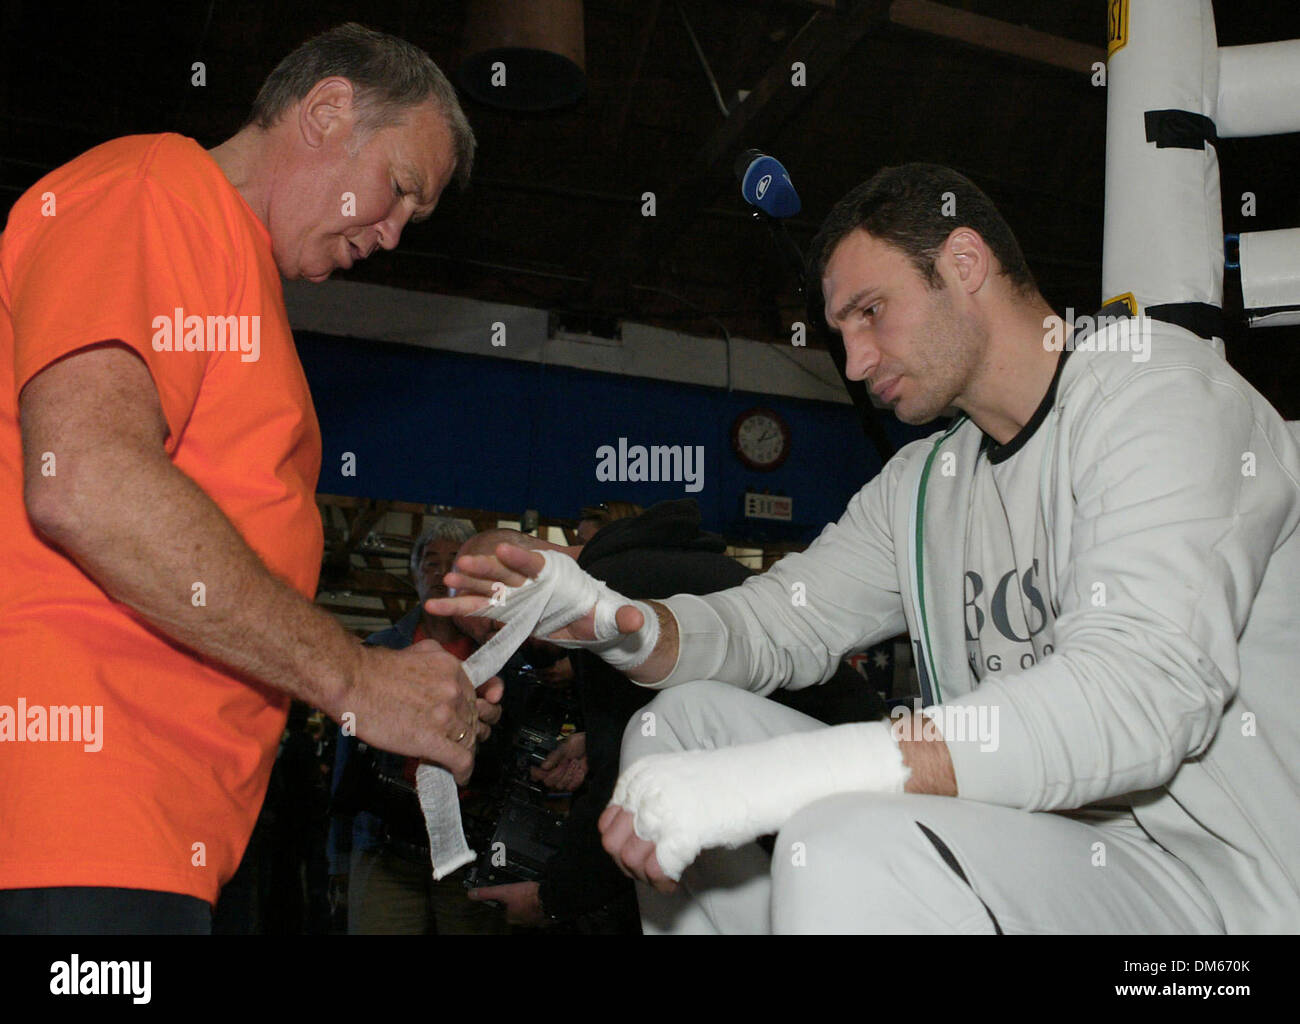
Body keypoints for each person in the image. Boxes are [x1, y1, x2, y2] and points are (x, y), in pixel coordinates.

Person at [433, 164, 1300, 934]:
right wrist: (602, 616)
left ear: (965, 263)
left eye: (869, 313)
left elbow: (1138, 702)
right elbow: (779, 622)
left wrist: (773, 784)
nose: (851, 362)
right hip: (1044, 850)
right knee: (682, 732)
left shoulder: (1158, 394)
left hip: (1220, 896)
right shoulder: (928, 480)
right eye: (841, 330)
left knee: (841, 839)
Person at [0, 23, 501, 935]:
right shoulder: (155, 194)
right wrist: (356, 678)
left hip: (155, 834)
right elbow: (83, 478)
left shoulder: (234, 275)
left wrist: (393, 680)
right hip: (78, 818)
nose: (390, 236)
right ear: (327, 110)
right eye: (397, 191)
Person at [329, 517, 509, 934]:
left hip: (471, 849)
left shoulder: (499, 655)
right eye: (430, 562)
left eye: (454, 562)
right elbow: (347, 759)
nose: (440, 572)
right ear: (413, 573)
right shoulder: (381, 650)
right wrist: (339, 855)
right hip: (384, 845)